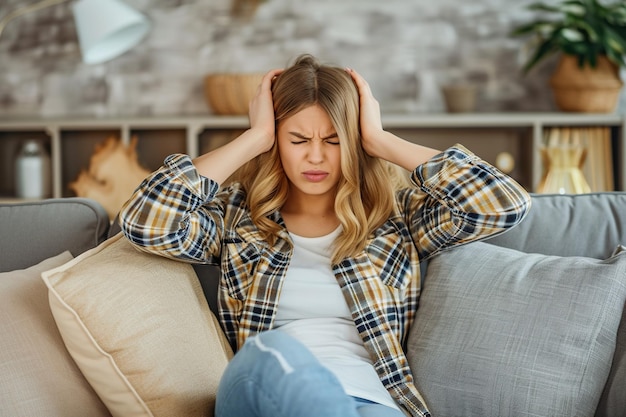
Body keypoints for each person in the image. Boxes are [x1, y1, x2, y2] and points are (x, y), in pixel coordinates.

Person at [119, 54, 531, 417]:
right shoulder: (235, 219)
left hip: (370, 400)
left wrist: (380, 140)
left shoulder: (395, 218)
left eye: (334, 140)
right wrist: (253, 138)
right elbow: (144, 221)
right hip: (262, 390)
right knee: (270, 355)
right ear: (277, 139)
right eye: (297, 139)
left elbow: (504, 204)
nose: (316, 156)